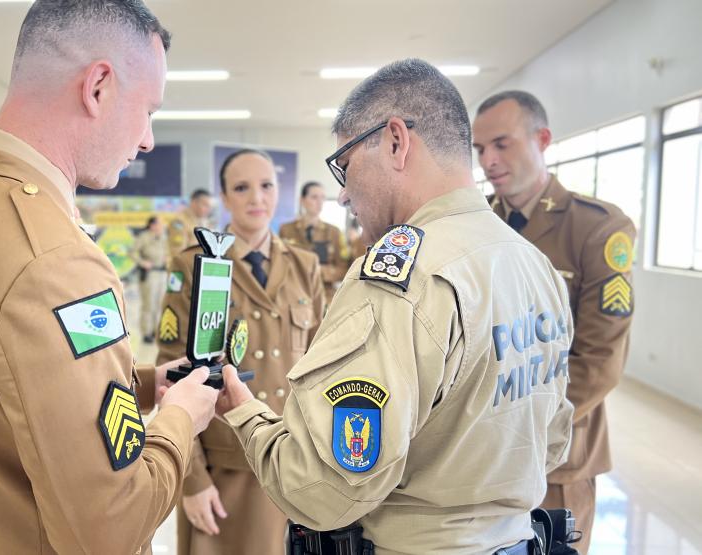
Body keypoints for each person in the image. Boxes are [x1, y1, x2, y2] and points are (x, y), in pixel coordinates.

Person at [0, 2, 219, 553]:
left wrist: (139, 384)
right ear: (98, 88)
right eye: (148, 111)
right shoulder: (53, 260)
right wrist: (180, 418)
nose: (147, 141)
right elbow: (109, 526)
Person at [216, 59, 575, 555]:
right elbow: (554, 440)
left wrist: (245, 415)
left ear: (395, 141)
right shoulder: (534, 263)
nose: (342, 192)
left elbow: (321, 489)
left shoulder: (401, 279)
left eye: (345, 164)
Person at [473, 90, 636, 552]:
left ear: (541, 139)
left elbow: (600, 359)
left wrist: (526, 434)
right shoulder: (476, 221)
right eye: (480, 149)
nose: (489, 160)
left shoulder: (597, 228)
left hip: (556, 453)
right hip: (477, 449)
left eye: (502, 144)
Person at [157, 149, 325, 555]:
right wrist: (191, 481)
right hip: (226, 469)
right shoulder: (195, 265)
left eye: (266, 185)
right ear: (224, 196)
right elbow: (171, 385)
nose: (256, 198)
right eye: (242, 187)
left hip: (295, 465)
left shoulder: (305, 266)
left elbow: (323, 368)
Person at [280, 181, 350, 302]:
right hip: (293, 296)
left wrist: (318, 271)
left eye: (322, 197)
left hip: (325, 297)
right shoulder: (287, 230)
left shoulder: (333, 232)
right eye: (314, 197)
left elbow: (345, 269)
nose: (319, 202)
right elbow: (279, 263)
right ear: (302, 200)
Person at [131, 215, 169, 343]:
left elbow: (169, 252)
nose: (161, 226)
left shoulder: (164, 237)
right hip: (150, 274)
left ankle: (156, 331)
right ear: (152, 225)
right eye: (159, 224)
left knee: (160, 304)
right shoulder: (144, 237)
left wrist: (167, 259)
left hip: (162, 273)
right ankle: (146, 332)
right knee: (149, 305)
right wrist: (143, 262)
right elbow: (132, 252)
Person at [169, 188, 213, 257]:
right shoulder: (179, 222)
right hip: (185, 266)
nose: (208, 209)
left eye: (209, 206)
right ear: (194, 202)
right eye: (205, 205)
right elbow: (178, 253)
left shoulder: (203, 222)